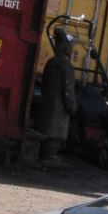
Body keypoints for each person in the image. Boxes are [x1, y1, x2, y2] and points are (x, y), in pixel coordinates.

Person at [32, 29, 78, 168]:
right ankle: (49, 156)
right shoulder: (67, 67)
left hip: (47, 104)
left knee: (47, 128)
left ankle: (45, 153)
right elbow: (68, 92)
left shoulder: (51, 63)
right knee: (55, 133)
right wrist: (72, 107)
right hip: (58, 109)